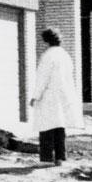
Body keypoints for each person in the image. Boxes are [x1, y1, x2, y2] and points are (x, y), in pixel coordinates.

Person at [28, 27, 81, 164]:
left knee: (46, 127)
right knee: (59, 127)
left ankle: (46, 158)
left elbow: (42, 78)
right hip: (63, 95)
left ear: (46, 40)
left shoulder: (48, 56)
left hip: (49, 95)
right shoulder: (65, 55)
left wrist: (35, 95)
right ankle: (60, 157)